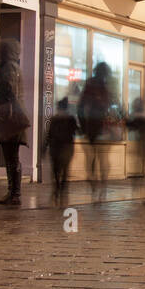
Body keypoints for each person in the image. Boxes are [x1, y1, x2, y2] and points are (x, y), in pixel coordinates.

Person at [0, 39, 27, 206]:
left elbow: (8, 92)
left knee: (11, 157)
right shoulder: (11, 68)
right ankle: (13, 192)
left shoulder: (8, 69)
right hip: (9, 119)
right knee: (11, 157)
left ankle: (14, 193)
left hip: (9, 120)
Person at [77, 62, 114, 196]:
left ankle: (95, 183)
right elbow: (109, 106)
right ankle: (100, 186)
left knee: (93, 158)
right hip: (99, 128)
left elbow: (81, 107)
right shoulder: (101, 87)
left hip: (93, 127)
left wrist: (83, 127)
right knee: (101, 158)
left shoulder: (93, 85)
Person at [44, 97, 78, 203]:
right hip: (66, 148)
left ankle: (57, 188)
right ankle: (61, 189)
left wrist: (44, 147)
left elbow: (49, 135)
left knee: (56, 170)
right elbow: (76, 131)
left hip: (56, 148)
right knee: (64, 170)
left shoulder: (55, 119)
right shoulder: (70, 119)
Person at [126, 97, 145, 179]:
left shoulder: (138, 114)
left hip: (143, 137)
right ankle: (144, 173)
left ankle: (144, 173)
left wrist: (127, 123)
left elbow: (134, 125)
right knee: (143, 156)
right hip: (144, 137)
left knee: (142, 156)